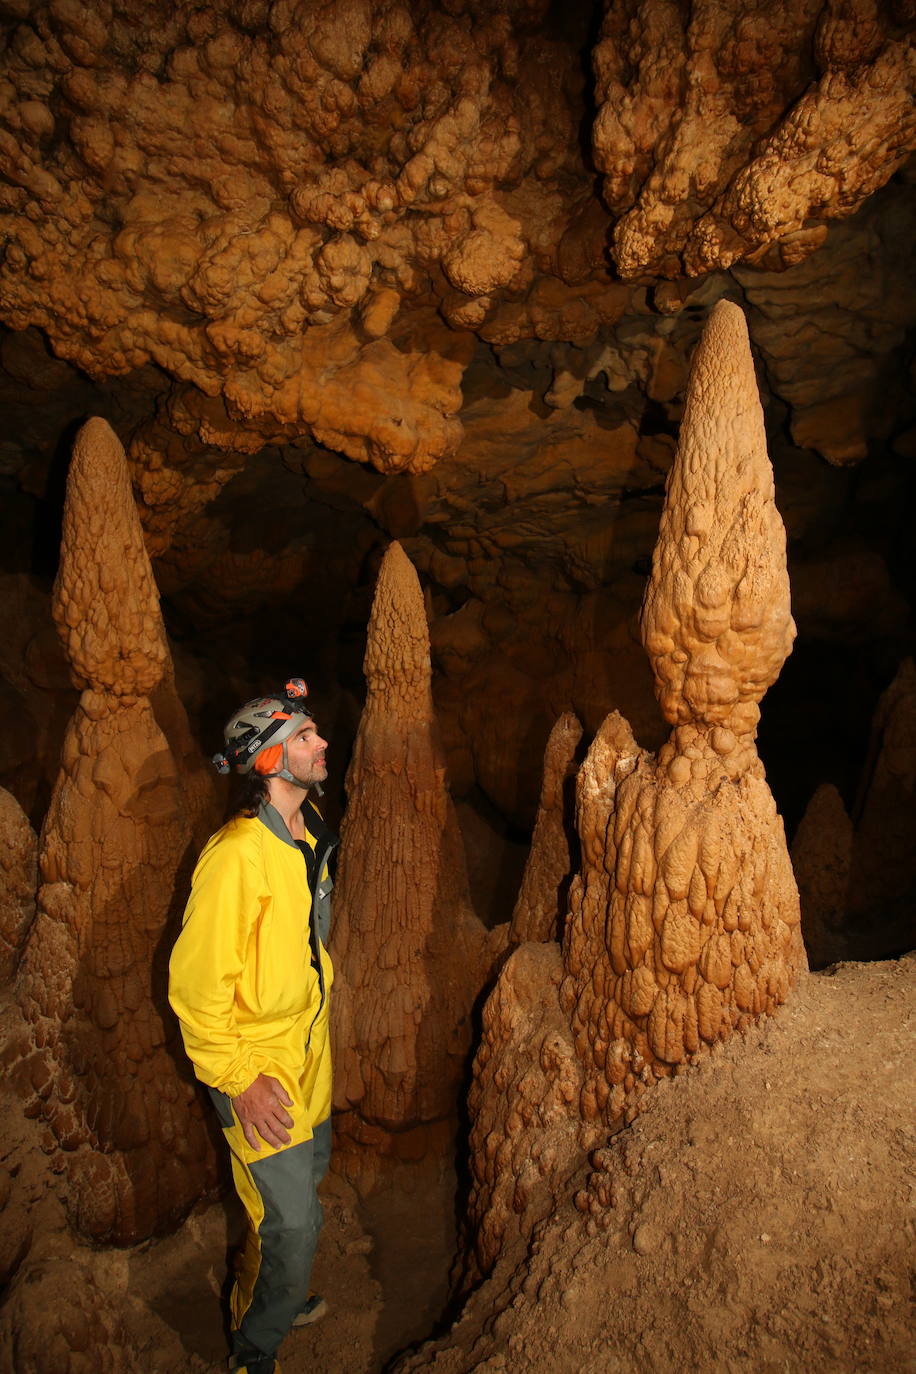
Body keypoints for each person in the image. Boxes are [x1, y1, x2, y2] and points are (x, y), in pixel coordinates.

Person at [169, 678, 337, 1374]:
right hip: (256, 1068)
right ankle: (254, 1348)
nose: (322, 742)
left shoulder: (312, 826)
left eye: (315, 731)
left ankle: (277, 1288)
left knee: (299, 1203)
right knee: (292, 1221)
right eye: (303, 736)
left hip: (308, 1055)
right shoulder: (235, 856)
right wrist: (239, 1082)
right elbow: (197, 990)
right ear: (268, 761)